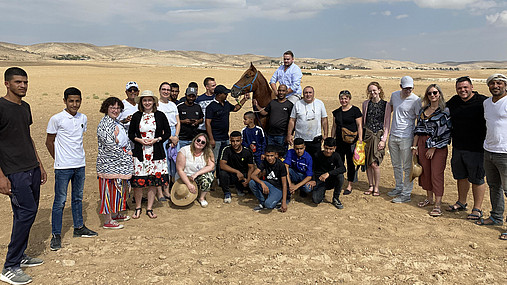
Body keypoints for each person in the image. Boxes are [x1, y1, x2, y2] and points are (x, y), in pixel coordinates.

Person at [0, 67, 47, 285]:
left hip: (31, 168)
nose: (23, 86)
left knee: (25, 214)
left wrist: (39, 163)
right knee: (26, 212)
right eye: (18, 82)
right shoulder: (1, 107)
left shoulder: (25, 107)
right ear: (7, 84)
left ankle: (20, 255)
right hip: (14, 171)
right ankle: (10, 266)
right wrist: (1, 176)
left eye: (25, 82)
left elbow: (27, 137)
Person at [46, 87, 97, 252]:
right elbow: (49, 142)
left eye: (77, 101)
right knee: (60, 201)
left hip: (79, 165)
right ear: (65, 101)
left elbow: (78, 138)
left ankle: (79, 227)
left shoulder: (84, 118)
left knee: (77, 198)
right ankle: (56, 235)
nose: (74, 104)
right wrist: (59, 159)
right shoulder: (57, 119)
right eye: (71, 101)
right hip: (63, 168)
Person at [446, 76, 488, 220]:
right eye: (459, 88)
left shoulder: (483, 102)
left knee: (477, 178)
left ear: (471, 87)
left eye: (465, 87)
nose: (462, 90)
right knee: (461, 176)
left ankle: (477, 209)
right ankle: (461, 202)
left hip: (477, 149)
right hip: (458, 147)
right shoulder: (454, 101)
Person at [128, 90, 171, 219]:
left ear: (154, 102)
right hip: (140, 153)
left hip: (155, 152)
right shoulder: (136, 116)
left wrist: (157, 140)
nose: (147, 103)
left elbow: (167, 133)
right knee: (138, 182)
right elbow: (131, 134)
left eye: (149, 100)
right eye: (144, 100)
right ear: (141, 102)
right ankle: (138, 207)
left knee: (153, 182)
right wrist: (139, 140)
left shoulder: (160, 115)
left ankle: (150, 208)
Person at [412, 84, 452, 217]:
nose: (432, 95)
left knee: (436, 173)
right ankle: (429, 198)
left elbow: (446, 131)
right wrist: (414, 147)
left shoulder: (444, 111)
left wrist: (433, 147)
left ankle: (437, 204)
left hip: (438, 147)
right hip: (422, 144)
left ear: (439, 94)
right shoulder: (423, 110)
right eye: (429, 93)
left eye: (435, 92)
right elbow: (418, 129)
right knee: (425, 172)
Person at [477, 74, 507, 238]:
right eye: (492, 83)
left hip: (505, 153)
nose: (495, 86)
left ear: (505, 85)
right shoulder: (486, 103)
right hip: (489, 150)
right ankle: (496, 217)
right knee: (494, 186)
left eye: (499, 83)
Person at [96, 97, 133, 230]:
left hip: (120, 162)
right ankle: (107, 220)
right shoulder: (104, 124)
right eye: (112, 108)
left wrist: (128, 153)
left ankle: (116, 213)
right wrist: (126, 156)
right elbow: (110, 145)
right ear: (106, 108)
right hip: (109, 163)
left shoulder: (116, 122)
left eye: (118, 108)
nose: (115, 110)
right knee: (108, 191)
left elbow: (125, 140)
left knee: (118, 190)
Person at [387, 76, 422, 203]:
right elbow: (389, 110)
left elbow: (419, 120)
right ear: (400, 86)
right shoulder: (394, 96)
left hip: (407, 137)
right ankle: (399, 187)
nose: (408, 91)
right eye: (406, 88)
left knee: (407, 167)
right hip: (393, 135)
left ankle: (406, 193)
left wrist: (415, 142)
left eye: (411, 88)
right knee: (396, 165)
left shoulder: (416, 100)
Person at [205, 85, 247, 170]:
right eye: (225, 93)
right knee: (214, 161)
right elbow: (207, 123)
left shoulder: (226, 104)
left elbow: (235, 108)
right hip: (216, 138)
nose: (227, 95)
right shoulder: (211, 106)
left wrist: (244, 99)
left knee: (225, 160)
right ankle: (213, 180)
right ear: (219, 95)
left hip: (225, 137)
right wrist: (211, 138)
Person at [361, 82, 391, 196]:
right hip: (367, 136)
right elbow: (364, 121)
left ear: (379, 90)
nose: (372, 93)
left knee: (375, 163)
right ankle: (370, 186)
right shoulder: (365, 104)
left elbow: (387, 123)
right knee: (368, 163)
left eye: (374, 90)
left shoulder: (386, 105)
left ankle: (377, 187)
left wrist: (383, 140)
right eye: (370, 91)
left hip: (379, 136)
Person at [331, 90, 363, 195]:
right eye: (342, 98)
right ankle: (338, 182)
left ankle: (350, 184)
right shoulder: (336, 112)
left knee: (350, 163)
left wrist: (360, 140)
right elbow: (334, 127)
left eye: (346, 98)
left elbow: (359, 126)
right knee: (339, 162)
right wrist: (332, 139)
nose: (343, 100)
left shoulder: (355, 111)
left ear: (349, 99)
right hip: (339, 142)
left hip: (351, 142)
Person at [287, 86, 328, 160]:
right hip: (300, 139)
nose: (308, 95)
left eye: (310, 92)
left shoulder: (320, 103)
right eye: (306, 93)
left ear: (313, 94)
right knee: (300, 160)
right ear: (303, 94)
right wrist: (289, 134)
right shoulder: (298, 104)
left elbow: (324, 119)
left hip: (315, 138)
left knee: (315, 160)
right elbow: (292, 120)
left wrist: (325, 134)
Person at [175, 133, 215, 207]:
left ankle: (201, 198)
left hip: (197, 176)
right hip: (185, 177)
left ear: (205, 145)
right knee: (182, 189)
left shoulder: (207, 152)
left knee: (209, 176)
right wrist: (188, 184)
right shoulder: (184, 150)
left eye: (203, 142)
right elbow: (180, 170)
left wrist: (196, 174)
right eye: (198, 140)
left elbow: (211, 166)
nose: (200, 143)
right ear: (194, 140)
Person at [253, 84, 293, 155]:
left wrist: (289, 135)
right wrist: (257, 105)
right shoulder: (272, 102)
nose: (281, 92)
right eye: (279, 90)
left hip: (282, 136)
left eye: (283, 91)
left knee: (281, 156)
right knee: (271, 155)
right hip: (270, 135)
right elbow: (264, 112)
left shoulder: (289, 105)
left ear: (286, 92)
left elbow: (292, 120)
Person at [157, 82, 180, 201]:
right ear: (159, 90)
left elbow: (178, 122)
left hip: (174, 135)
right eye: (164, 89)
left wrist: (176, 136)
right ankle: (161, 192)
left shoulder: (173, 105)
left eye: (168, 90)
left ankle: (172, 188)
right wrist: (170, 137)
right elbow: (157, 125)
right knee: (162, 164)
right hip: (162, 135)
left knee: (175, 164)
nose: (166, 91)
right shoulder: (157, 106)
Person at [249, 145, 288, 212]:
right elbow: (253, 175)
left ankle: (278, 201)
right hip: (268, 184)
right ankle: (262, 202)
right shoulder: (264, 162)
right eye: (267, 156)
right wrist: (262, 183)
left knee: (269, 205)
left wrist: (284, 202)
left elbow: (284, 185)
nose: (269, 158)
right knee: (252, 183)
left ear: (276, 155)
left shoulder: (281, 165)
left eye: (271, 156)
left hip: (278, 189)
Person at [219, 131, 255, 203]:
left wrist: (248, 179)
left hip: (243, 175)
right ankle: (227, 193)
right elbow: (222, 165)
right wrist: (237, 172)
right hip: (232, 174)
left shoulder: (247, 151)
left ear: (241, 141)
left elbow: (251, 167)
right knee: (222, 173)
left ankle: (240, 188)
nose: (235, 143)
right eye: (233, 141)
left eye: (237, 141)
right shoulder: (226, 149)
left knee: (252, 184)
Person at [309, 137, 346, 208]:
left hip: (330, 179)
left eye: (331, 149)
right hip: (319, 180)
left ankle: (336, 198)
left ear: (335, 148)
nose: (328, 151)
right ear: (323, 146)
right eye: (326, 148)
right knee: (316, 200)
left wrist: (328, 173)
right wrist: (313, 179)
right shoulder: (317, 155)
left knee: (340, 176)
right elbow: (312, 169)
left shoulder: (336, 156)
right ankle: (320, 193)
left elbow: (343, 168)